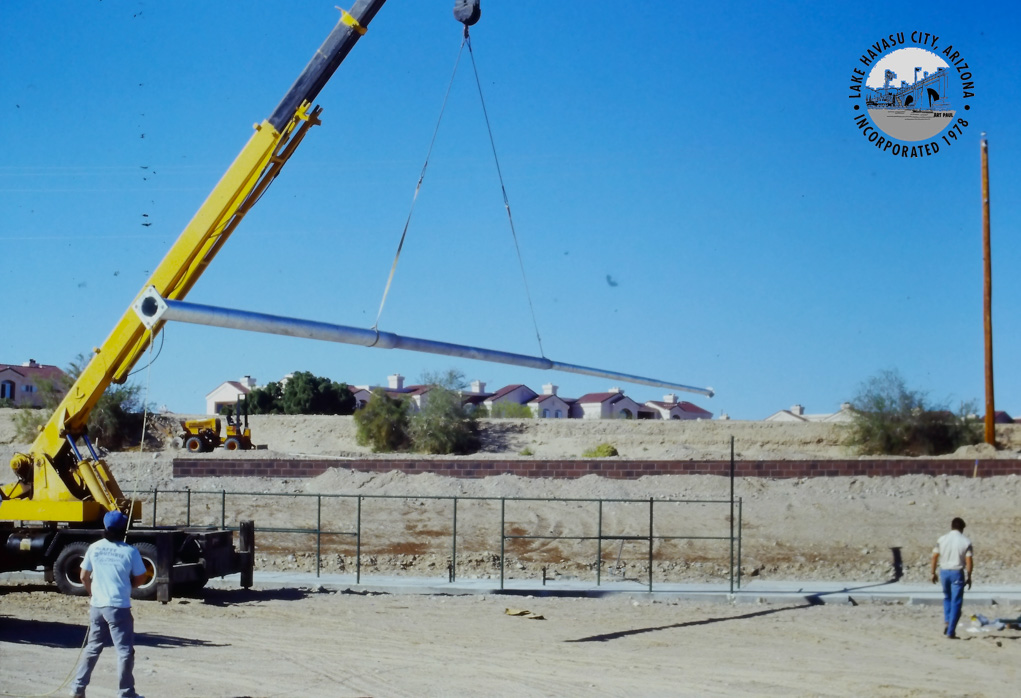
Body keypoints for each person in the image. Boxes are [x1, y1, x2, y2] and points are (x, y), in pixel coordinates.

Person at [70, 510, 148, 698]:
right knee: (124, 652)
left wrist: (91, 591)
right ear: (124, 529)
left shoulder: (94, 548)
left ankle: (77, 688)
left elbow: (83, 576)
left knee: (92, 648)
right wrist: (129, 587)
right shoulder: (130, 551)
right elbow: (141, 577)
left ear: (105, 527)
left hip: (97, 606)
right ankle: (125, 692)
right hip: (118, 607)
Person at [930, 516, 973, 639]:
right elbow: (969, 560)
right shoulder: (966, 541)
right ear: (962, 528)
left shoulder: (942, 539)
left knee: (947, 598)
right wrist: (969, 575)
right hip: (957, 572)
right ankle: (950, 631)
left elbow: (934, 556)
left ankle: (947, 621)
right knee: (957, 602)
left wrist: (933, 572)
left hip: (944, 571)